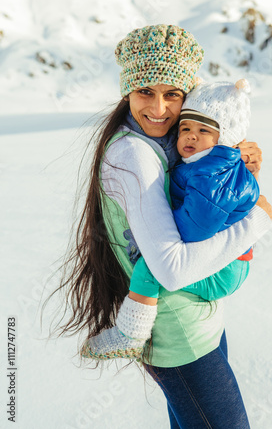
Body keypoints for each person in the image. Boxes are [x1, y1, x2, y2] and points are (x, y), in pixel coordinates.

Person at [55, 24, 272, 429]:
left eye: (172, 94)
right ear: (127, 92)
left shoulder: (169, 142)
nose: (159, 108)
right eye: (145, 92)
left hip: (199, 322)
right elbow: (171, 267)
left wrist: (235, 162)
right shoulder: (133, 155)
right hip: (179, 335)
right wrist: (257, 219)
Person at [81, 78, 261, 362]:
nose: (159, 107)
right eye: (186, 129)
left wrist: (258, 215)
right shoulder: (154, 154)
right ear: (127, 92)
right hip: (187, 327)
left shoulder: (208, 172)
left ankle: (132, 332)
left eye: (202, 130)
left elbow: (196, 228)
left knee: (149, 266)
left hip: (218, 282)